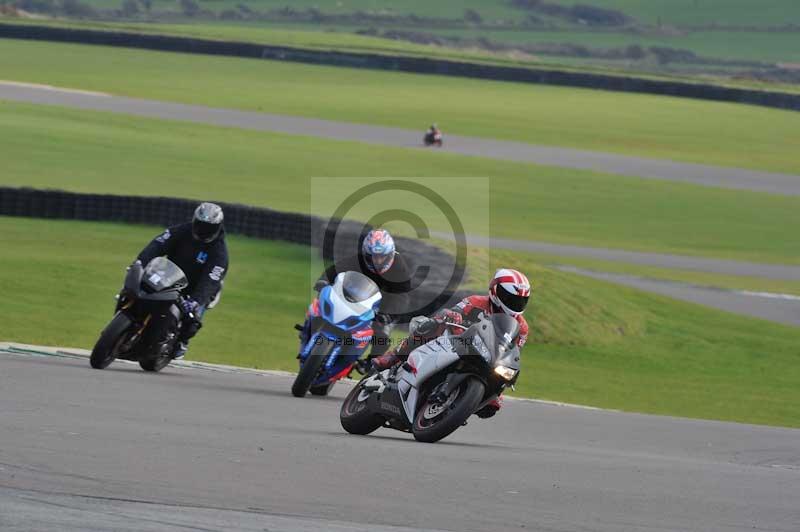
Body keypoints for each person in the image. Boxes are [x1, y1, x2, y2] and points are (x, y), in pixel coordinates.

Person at [371, 268, 531, 418]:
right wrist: (452, 315)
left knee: (500, 380)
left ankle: (464, 403)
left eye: (520, 301)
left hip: (486, 358)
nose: (515, 304)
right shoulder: (475, 301)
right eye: (510, 298)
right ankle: (394, 357)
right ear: (495, 292)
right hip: (457, 342)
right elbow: (452, 311)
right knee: (429, 326)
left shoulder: (522, 327)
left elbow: (511, 353)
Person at [134, 202, 228, 359]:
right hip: (169, 276)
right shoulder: (181, 231)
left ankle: (182, 342)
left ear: (217, 227)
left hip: (197, 289)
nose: (203, 231)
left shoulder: (219, 252)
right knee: (139, 290)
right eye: (201, 225)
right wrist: (140, 263)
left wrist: (196, 300)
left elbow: (211, 280)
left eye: (209, 228)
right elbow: (157, 245)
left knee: (192, 318)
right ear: (194, 221)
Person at [312, 228, 412, 360]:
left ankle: (371, 364)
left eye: (382, 257)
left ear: (390, 254)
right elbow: (338, 268)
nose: (377, 261)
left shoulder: (399, 266)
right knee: (319, 308)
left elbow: (402, 295)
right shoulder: (358, 259)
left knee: (382, 335)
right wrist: (324, 280)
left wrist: (388, 314)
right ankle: (309, 333)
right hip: (357, 297)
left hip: (384, 305)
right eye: (373, 256)